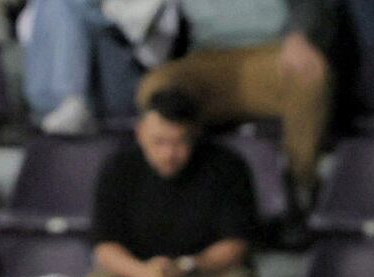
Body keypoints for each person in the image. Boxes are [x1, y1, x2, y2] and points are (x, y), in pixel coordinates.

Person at [80, 88, 263, 277]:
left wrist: (183, 267)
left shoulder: (227, 167)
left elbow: (236, 243)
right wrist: (146, 275)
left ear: (195, 134)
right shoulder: (118, 169)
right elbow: (105, 245)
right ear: (141, 133)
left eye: (179, 142)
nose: (169, 153)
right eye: (159, 142)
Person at [135, 0, 338, 200]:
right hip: (206, 58)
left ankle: (299, 187)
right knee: (156, 86)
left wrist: (299, 36)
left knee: (308, 73)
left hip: (272, 54)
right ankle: (169, 182)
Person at [19, 0, 156, 134]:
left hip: (132, 83)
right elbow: (25, 30)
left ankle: (70, 99)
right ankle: (67, 101)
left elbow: (140, 26)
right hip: (53, 100)